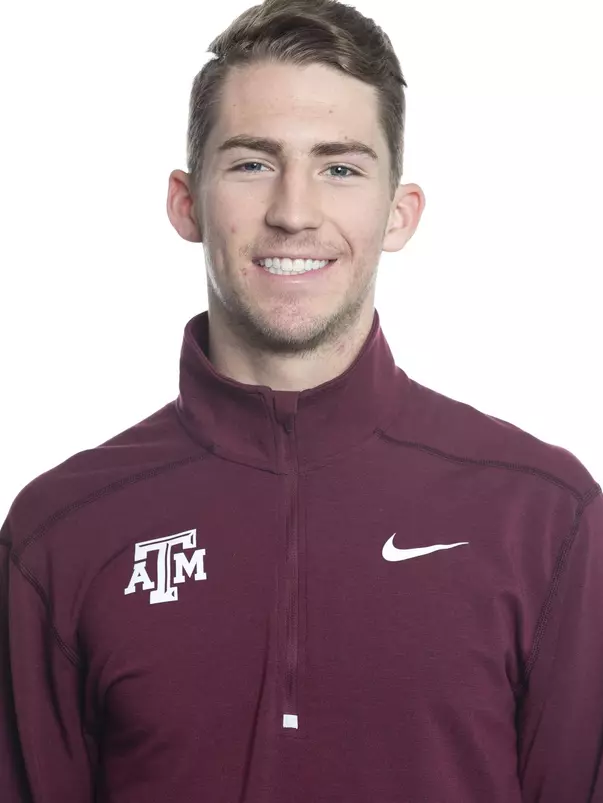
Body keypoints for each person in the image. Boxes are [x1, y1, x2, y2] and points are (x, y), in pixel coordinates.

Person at [1, 0, 601, 800]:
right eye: (252, 163)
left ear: (398, 212)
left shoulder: (543, 515)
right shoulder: (61, 532)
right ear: (186, 202)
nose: (292, 211)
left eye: (340, 168)